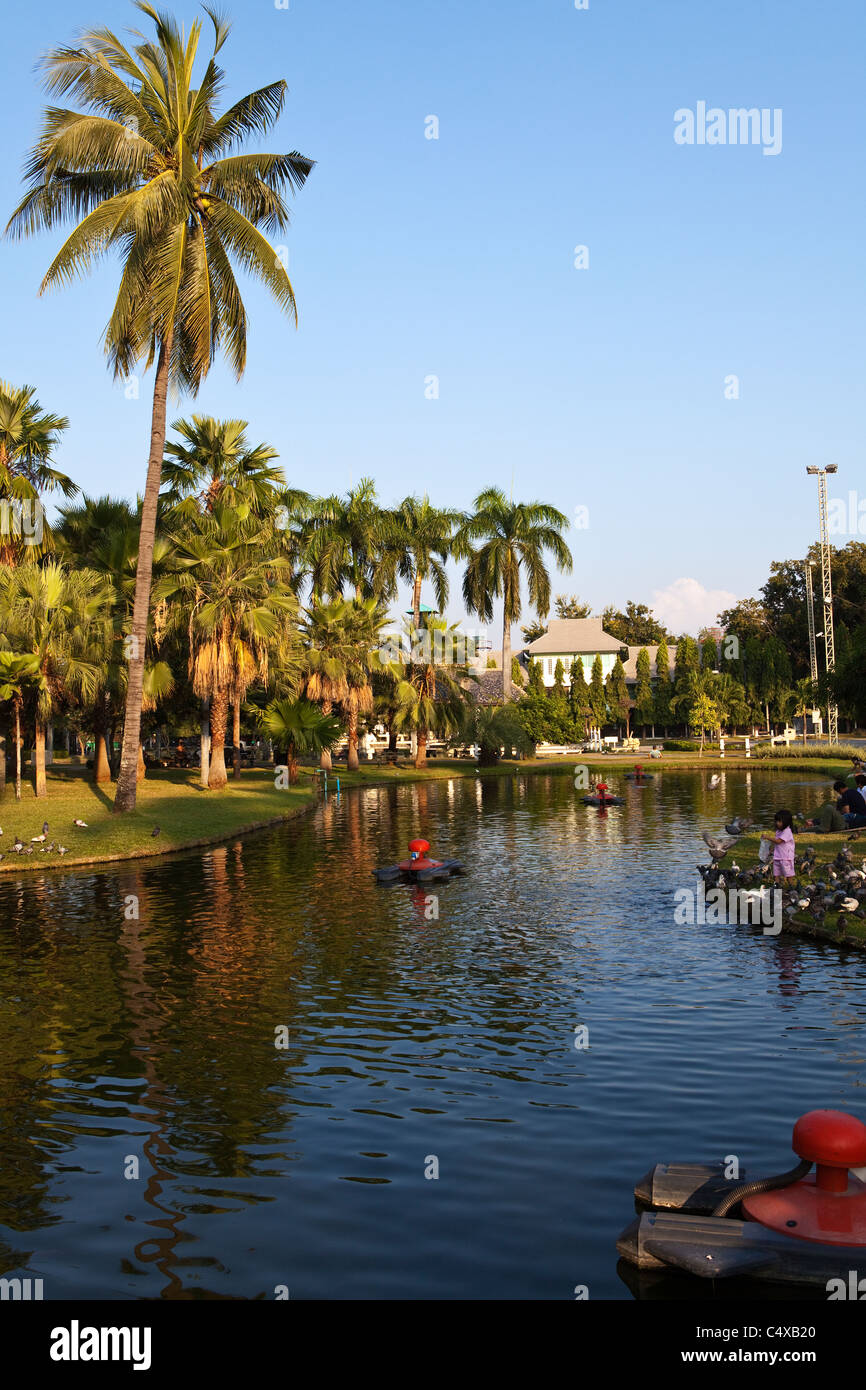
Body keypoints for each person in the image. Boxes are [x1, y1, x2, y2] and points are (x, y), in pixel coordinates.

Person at [761, 810, 795, 886]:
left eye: (779, 821)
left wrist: (767, 837)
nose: (777, 823)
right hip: (778, 857)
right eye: (776, 821)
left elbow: (778, 841)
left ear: (786, 822)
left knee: (788, 875)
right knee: (776, 873)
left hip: (786, 858)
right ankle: (777, 886)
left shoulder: (787, 831)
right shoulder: (779, 831)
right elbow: (776, 843)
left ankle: (792, 887)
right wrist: (771, 849)